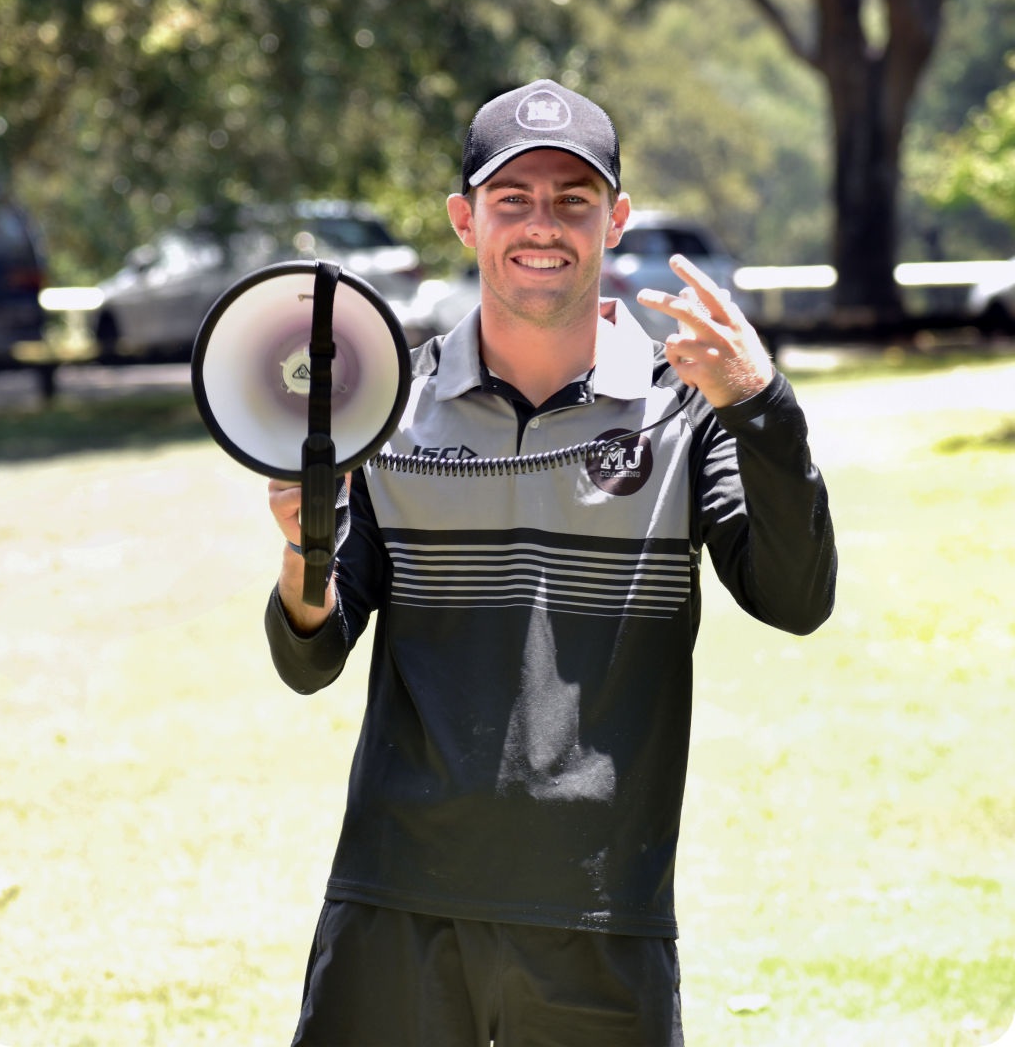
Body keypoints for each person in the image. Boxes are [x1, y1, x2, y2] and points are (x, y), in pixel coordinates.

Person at [265, 78, 836, 1046]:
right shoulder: (385, 409)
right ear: (464, 219)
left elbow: (794, 599)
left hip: (601, 922)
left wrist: (761, 406)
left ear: (613, 221)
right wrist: (300, 547)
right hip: (396, 909)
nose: (543, 225)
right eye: (511, 199)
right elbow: (309, 655)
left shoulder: (686, 410)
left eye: (572, 200)